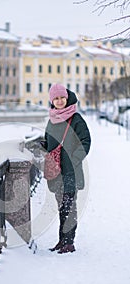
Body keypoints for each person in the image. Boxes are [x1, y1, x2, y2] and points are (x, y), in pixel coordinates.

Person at [42, 83, 91, 254]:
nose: (60, 101)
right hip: (56, 172)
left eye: (62, 97)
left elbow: (86, 141)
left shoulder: (75, 119)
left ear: (67, 97)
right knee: (61, 207)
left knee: (69, 207)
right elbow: (48, 143)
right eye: (56, 98)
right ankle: (62, 240)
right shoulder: (52, 119)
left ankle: (69, 243)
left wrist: (74, 159)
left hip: (71, 172)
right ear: (52, 101)